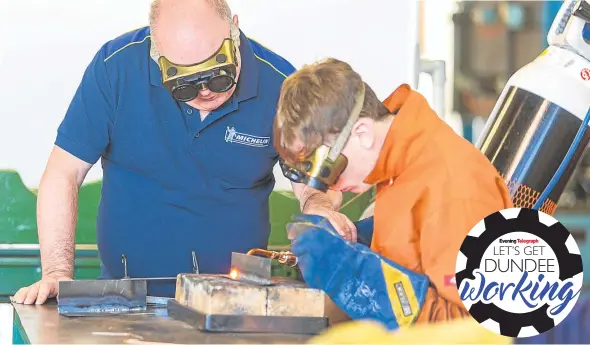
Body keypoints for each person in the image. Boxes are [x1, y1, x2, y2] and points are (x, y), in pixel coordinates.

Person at [12, 0, 356, 304]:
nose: (205, 92)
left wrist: (319, 208)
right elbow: (63, 173)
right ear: (155, 54)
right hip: (124, 298)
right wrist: (57, 272)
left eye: (219, 77)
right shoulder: (115, 68)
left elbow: (311, 186)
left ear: (234, 29)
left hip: (235, 302)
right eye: (185, 85)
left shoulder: (281, 86)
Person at [274, 58, 514, 330]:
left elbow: (474, 330)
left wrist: (353, 273)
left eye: (330, 171)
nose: (334, 187)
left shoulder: (455, 185)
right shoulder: (398, 170)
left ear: (361, 133)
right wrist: (369, 244)